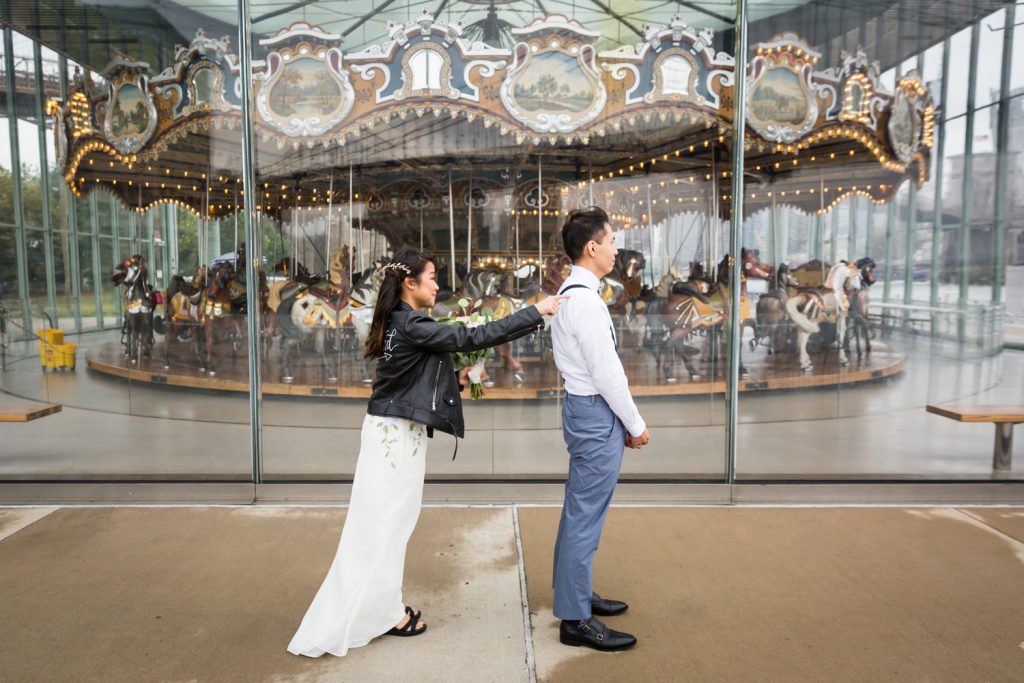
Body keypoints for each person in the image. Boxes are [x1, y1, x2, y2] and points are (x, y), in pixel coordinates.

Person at [287, 247, 566, 657]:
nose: (438, 285)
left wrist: (460, 373)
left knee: (390, 528)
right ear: (409, 283)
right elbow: (471, 336)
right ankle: (369, 614)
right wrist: (536, 311)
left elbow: (415, 376)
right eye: (432, 276)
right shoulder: (412, 323)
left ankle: (383, 610)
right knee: (382, 528)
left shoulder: (402, 323)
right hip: (394, 439)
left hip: (398, 433)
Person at [550, 206, 650, 652]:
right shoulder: (585, 301)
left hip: (584, 408)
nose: (615, 248)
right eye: (611, 241)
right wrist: (636, 424)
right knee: (585, 514)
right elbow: (609, 375)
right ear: (592, 248)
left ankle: (575, 593)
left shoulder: (572, 293)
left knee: (581, 509)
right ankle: (575, 618)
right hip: (595, 412)